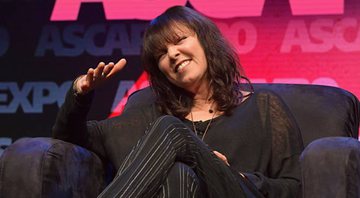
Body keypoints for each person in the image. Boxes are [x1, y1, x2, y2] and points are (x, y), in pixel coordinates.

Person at [53, 5, 303, 198]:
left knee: (170, 128)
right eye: (161, 54)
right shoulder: (146, 116)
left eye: (180, 40)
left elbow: (296, 188)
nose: (172, 54)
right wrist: (80, 92)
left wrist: (241, 177)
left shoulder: (264, 107)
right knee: (177, 172)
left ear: (205, 41)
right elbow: (70, 138)